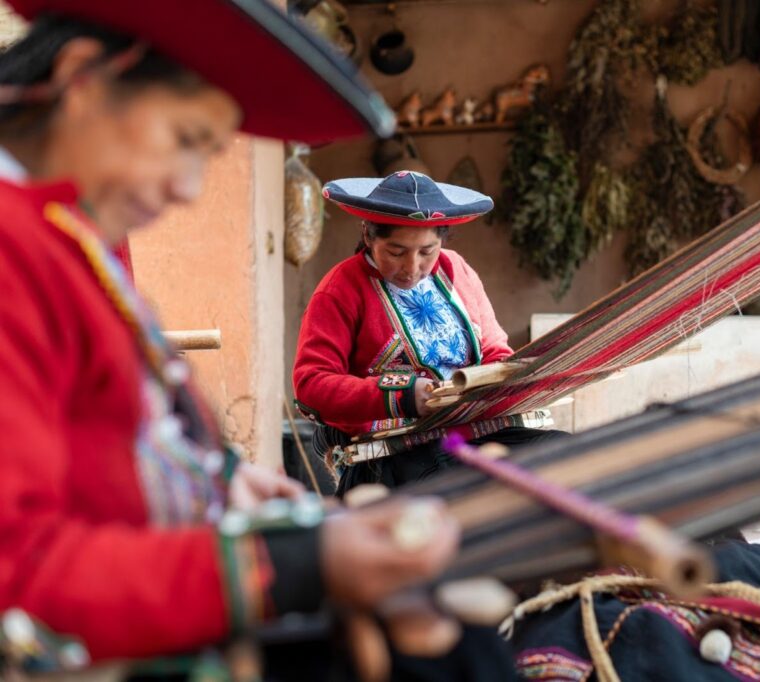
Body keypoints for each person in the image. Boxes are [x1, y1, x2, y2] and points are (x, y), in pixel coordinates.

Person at [0, 2, 498, 677]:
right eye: (185, 138)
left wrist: (226, 484)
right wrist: (291, 563)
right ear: (84, 79)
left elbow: (111, 431)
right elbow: (16, 569)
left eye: (207, 155)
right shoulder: (16, 246)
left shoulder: (75, 234)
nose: (187, 187)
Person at [293, 171, 563, 495]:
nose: (411, 267)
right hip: (391, 450)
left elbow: (493, 351)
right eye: (396, 252)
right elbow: (312, 385)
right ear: (368, 236)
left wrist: (509, 381)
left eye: (427, 251)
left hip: (470, 431)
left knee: (564, 455)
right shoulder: (340, 290)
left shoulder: (456, 270)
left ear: (442, 241)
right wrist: (404, 394)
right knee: (461, 485)